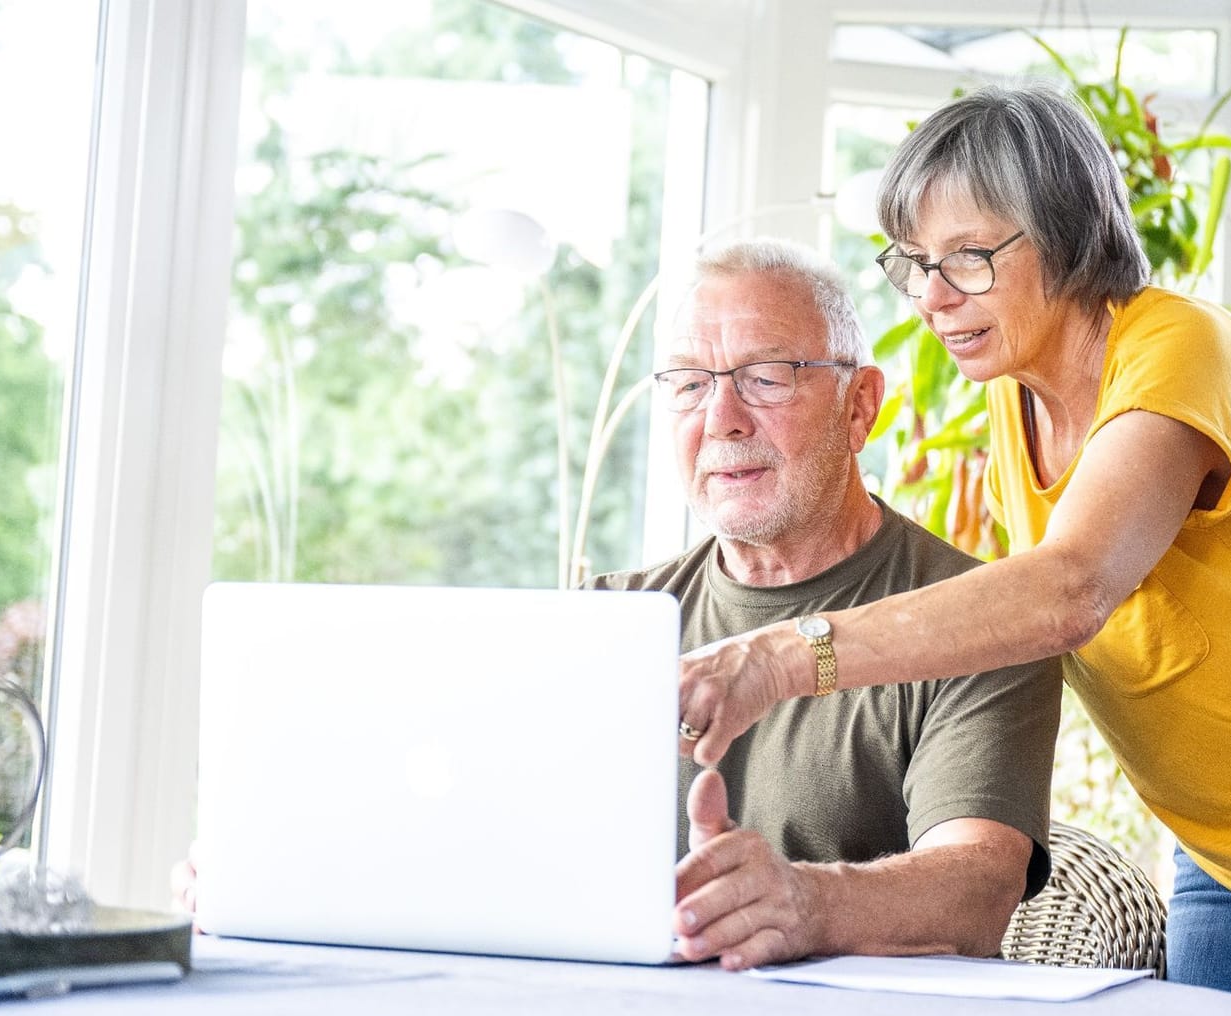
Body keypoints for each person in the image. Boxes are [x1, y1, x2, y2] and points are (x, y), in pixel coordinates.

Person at [674, 84, 1231, 1016]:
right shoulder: (1016, 402)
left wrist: (787, 654)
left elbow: (1070, 588)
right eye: (914, 263)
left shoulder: (1178, 351)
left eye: (968, 258)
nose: (930, 297)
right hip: (1230, 851)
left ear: (1067, 234)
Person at [177, 237, 1064, 974]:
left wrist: (808, 902)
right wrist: (286, 868)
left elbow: (976, 890)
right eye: (687, 382)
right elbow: (465, 833)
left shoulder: (978, 617)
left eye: (765, 376)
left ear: (860, 403)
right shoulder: (603, 624)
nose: (721, 417)